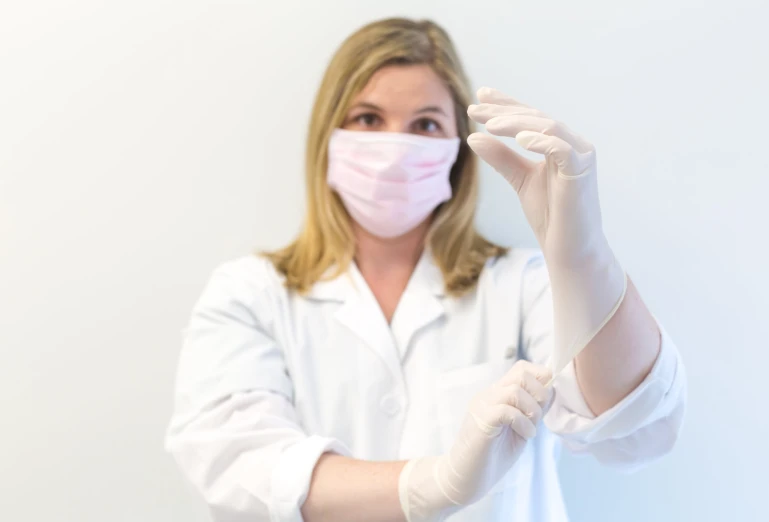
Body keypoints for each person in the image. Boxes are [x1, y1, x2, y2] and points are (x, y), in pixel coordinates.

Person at [165, 17, 686, 522]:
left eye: (426, 125)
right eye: (368, 118)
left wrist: (582, 255)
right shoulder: (250, 294)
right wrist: (434, 484)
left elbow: (635, 427)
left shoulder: (521, 284)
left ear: (457, 149)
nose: (395, 149)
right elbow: (237, 469)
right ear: (328, 136)